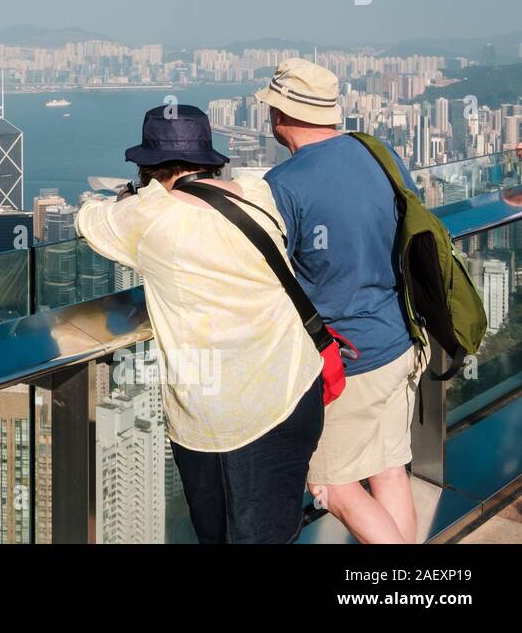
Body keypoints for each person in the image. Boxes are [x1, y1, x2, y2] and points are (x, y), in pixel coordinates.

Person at [77, 103, 324, 543]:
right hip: (298, 389)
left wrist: (136, 195)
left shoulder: (150, 216)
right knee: (280, 531)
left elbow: (88, 220)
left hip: (230, 425)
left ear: (149, 166)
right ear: (208, 159)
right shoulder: (256, 192)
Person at [258, 58, 425, 544]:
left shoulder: (284, 186)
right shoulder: (379, 153)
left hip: (348, 364)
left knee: (332, 483)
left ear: (279, 115)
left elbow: (273, 280)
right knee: (390, 470)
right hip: (401, 340)